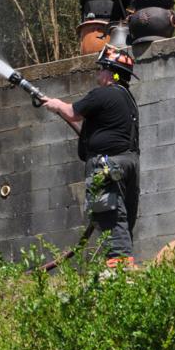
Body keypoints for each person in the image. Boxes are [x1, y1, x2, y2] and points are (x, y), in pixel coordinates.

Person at [41, 44, 140, 266]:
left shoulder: (103, 93)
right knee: (123, 214)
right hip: (127, 163)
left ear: (110, 72)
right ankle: (123, 260)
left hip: (107, 165)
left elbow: (72, 113)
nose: (98, 73)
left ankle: (118, 266)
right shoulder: (128, 99)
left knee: (110, 214)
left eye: (101, 69)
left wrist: (56, 104)